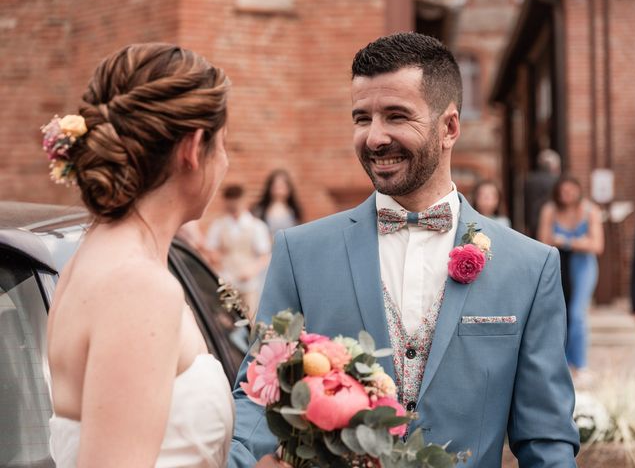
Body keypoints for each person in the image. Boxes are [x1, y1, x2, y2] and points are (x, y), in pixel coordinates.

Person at [230, 33, 579, 467]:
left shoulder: (530, 266)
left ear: (449, 127)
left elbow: (546, 440)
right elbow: (257, 401)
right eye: (362, 118)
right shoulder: (300, 254)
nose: (375, 138)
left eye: (396, 116)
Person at [45, 43, 280, 468]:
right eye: (224, 145)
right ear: (193, 148)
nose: (225, 162)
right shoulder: (138, 286)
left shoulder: (95, 254)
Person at [538, 175, 604, 381]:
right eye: (563, 191)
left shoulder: (590, 210)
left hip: (583, 267)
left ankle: (581, 364)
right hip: (558, 266)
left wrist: (565, 241)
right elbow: (543, 241)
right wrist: (578, 241)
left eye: (571, 191)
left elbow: (597, 245)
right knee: (561, 313)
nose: (567, 195)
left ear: (578, 190)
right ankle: (564, 364)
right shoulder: (550, 210)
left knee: (577, 313)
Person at [205, 184, 271, 321]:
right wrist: (216, 260)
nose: (233, 207)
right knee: (224, 321)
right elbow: (210, 250)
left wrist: (252, 270)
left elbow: (265, 256)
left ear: (243, 201)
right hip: (225, 283)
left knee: (249, 321)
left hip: (248, 284)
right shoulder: (218, 225)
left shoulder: (256, 226)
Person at [253, 169, 303, 236]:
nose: (279, 189)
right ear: (270, 188)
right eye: (276, 186)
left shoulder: (294, 211)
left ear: (289, 189)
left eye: (282, 186)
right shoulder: (260, 210)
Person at [524, 148, 561, 238]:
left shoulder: (530, 179)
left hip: (533, 219)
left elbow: (526, 202)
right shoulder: (556, 180)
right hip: (551, 220)